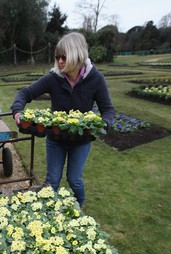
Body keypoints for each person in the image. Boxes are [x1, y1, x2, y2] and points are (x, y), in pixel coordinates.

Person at [10, 32, 115, 209]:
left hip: (81, 141)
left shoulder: (96, 79)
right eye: (58, 57)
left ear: (77, 55)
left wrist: (103, 124)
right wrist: (17, 113)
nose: (59, 62)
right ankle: (47, 211)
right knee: (52, 180)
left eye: (64, 57)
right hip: (56, 139)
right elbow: (25, 93)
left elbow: (108, 110)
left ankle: (79, 205)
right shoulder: (54, 78)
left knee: (74, 180)